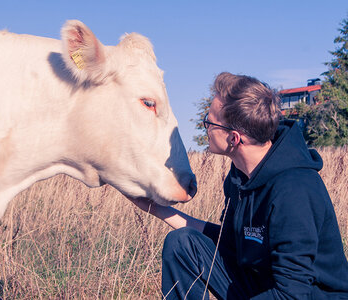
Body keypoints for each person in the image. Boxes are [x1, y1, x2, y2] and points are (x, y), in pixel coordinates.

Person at [129, 72, 348, 299]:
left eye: (209, 122)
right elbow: (230, 241)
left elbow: (292, 294)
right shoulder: (240, 176)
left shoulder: (294, 191)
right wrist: (157, 209)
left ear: (234, 139)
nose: (205, 127)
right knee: (182, 243)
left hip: (306, 296)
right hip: (260, 284)